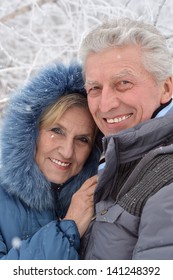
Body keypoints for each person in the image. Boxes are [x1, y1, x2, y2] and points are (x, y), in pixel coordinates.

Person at [78, 17, 173, 259]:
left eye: (123, 83)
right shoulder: (107, 161)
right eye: (94, 89)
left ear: (166, 88)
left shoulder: (166, 177)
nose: (106, 104)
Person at [0, 62, 100, 259]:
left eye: (82, 139)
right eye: (57, 131)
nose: (67, 151)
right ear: (31, 133)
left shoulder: (100, 199)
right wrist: (67, 229)